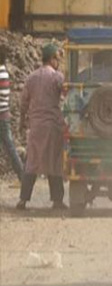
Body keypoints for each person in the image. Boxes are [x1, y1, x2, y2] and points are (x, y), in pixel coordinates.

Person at [17, 44, 67, 211]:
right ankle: (57, 201)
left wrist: (22, 122)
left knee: (32, 162)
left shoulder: (31, 77)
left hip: (36, 126)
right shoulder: (57, 77)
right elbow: (68, 95)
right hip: (53, 126)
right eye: (57, 59)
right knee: (54, 162)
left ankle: (23, 200)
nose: (58, 62)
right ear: (52, 59)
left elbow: (23, 102)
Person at [0, 47, 25, 182]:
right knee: (9, 147)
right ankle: (22, 175)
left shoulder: (0, 73)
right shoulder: (3, 72)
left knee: (9, 147)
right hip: (3, 115)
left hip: (1, 116)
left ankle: (22, 175)